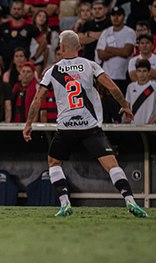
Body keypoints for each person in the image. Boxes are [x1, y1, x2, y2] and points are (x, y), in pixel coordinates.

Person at [23, 30, 148, 218]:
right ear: (79, 47)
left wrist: (28, 124)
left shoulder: (53, 71)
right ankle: (130, 200)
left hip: (66, 128)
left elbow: (37, 99)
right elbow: (112, 87)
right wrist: (125, 106)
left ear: (62, 47)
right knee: (112, 165)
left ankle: (65, 203)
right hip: (90, 128)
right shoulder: (90, 66)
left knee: (54, 163)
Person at [96, 6, 136, 122]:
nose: (116, 17)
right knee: (107, 108)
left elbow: (127, 51)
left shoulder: (129, 32)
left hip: (123, 76)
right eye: (113, 15)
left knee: (120, 108)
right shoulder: (106, 32)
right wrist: (119, 51)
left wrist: (110, 49)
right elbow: (100, 54)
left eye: (119, 15)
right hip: (107, 76)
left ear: (123, 16)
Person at [0, 0, 46, 70]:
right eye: (14, 9)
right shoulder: (3, 26)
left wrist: (34, 59)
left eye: (19, 9)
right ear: (11, 10)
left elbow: (43, 42)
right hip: (6, 63)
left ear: (23, 11)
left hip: (24, 63)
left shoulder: (30, 27)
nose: (16, 11)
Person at [125, 59, 156, 125]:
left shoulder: (154, 86)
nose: (142, 74)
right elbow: (127, 105)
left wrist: (153, 119)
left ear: (149, 72)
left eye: (144, 71)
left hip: (150, 125)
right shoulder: (130, 87)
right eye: (139, 71)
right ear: (136, 72)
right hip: (134, 125)